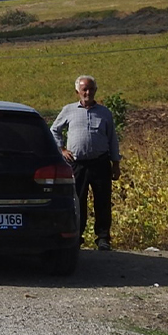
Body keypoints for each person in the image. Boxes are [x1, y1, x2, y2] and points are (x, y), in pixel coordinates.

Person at [51, 75, 121, 251]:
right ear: (77, 92)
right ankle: (77, 237)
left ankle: (103, 238)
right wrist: (62, 150)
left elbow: (112, 139)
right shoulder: (68, 110)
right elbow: (54, 130)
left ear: (95, 90)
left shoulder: (105, 113)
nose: (87, 92)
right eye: (84, 89)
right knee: (78, 202)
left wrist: (116, 164)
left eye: (90, 89)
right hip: (77, 164)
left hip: (100, 163)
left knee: (102, 201)